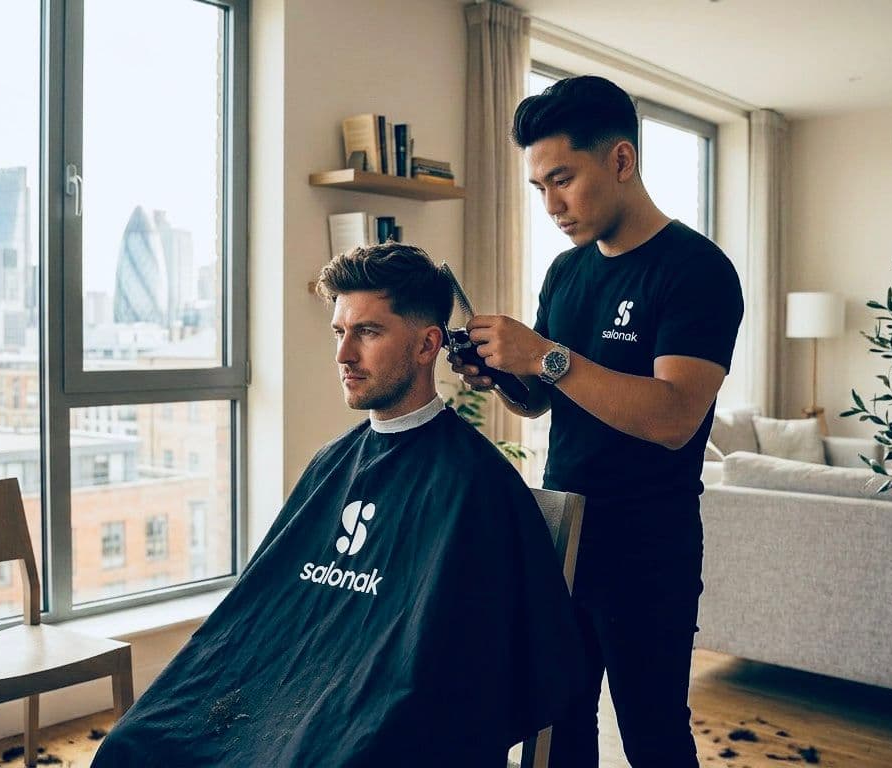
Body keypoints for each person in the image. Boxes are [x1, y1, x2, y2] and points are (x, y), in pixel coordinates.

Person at [91, 242, 585, 767]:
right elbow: (258, 617)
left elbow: (460, 669)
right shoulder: (331, 464)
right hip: (292, 703)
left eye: (367, 332)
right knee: (134, 746)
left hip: (370, 725)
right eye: (339, 332)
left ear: (427, 346)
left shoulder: (475, 484)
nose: (343, 354)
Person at [450, 75, 744, 768]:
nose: (552, 205)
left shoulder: (696, 271)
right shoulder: (567, 272)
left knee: (652, 735)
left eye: (563, 179)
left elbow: (674, 416)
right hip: (563, 534)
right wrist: (502, 376)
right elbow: (545, 398)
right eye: (538, 188)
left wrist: (545, 355)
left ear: (620, 160)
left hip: (649, 547)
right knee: (556, 724)